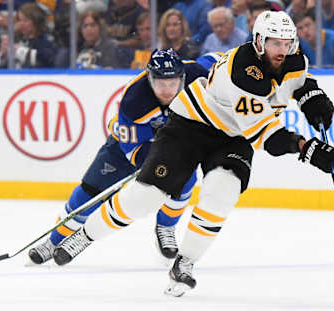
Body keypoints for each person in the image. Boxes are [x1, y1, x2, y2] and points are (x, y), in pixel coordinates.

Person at [53, 10, 334, 297]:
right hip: (192, 126)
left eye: (286, 43)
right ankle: (86, 235)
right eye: (274, 43)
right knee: (147, 196)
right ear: (258, 41)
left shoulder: (294, 59)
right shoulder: (243, 72)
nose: (281, 50)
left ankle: (186, 262)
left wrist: (313, 97)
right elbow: (268, 137)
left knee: (224, 190)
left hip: (233, 138)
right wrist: (309, 150)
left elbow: (298, 81)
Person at [28, 49, 210, 265]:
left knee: (186, 181)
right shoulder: (135, 100)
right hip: (125, 148)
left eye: (172, 83)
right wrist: (156, 164)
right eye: (160, 83)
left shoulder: (198, 75)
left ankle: (166, 228)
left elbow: (220, 60)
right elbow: (134, 150)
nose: (167, 90)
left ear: (182, 76)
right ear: (150, 78)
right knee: (90, 191)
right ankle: (53, 241)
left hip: (171, 143)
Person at [0, 2, 55, 68]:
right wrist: (3, 53)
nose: (21, 24)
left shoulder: (45, 41)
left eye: (25, 20)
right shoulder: (16, 39)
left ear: (36, 21)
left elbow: (45, 61)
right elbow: (1, 68)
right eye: (19, 20)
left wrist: (19, 51)